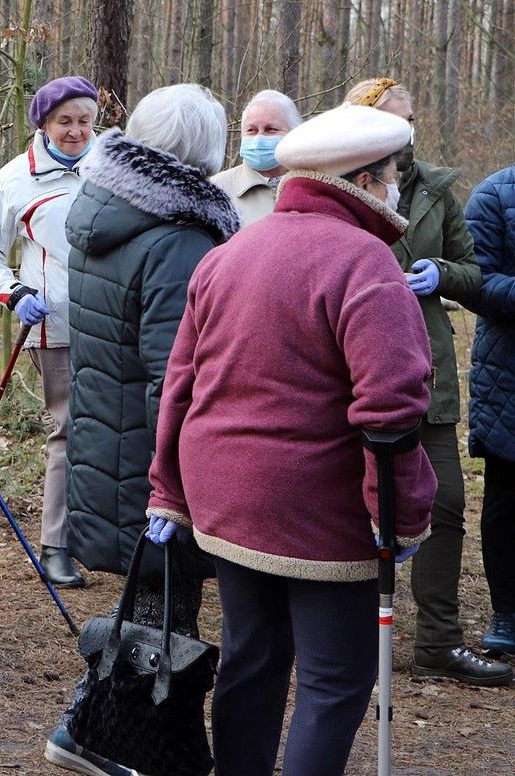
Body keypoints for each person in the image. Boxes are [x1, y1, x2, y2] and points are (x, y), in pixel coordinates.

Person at [144, 104, 437, 776]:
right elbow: (391, 413)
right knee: (334, 683)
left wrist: (169, 491)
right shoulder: (367, 263)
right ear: (364, 180)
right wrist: (400, 515)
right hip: (322, 516)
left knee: (251, 661)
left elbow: (181, 384)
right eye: (392, 175)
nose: (397, 187)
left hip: (228, 503)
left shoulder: (231, 251)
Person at [44, 83, 239, 776]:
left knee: (158, 610)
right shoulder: (180, 238)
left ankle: (122, 740)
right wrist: (182, 484)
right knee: (162, 618)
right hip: (155, 461)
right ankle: (99, 736)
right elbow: (174, 376)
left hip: (109, 441)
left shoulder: (107, 211)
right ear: (203, 151)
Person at [344, 77, 511, 685]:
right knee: (350, 502)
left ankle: (439, 645)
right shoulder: (335, 184)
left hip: (427, 364)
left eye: (410, 119)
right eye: (394, 120)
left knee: (444, 502)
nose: (406, 130)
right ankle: (348, 636)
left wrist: (438, 272)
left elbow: (475, 271)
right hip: (351, 366)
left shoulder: (437, 188)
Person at [0, 75, 100, 588]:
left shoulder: (114, 166)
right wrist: (17, 294)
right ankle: (56, 545)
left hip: (121, 326)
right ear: (42, 123)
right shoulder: (16, 179)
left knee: (128, 432)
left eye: (85, 120)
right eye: (64, 121)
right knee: (68, 432)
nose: (75, 131)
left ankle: (117, 540)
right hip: (58, 330)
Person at [464, 164, 515, 660]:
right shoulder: (495, 193)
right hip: (508, 373)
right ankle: (507, 611)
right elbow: (475, 279)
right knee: (506, 497)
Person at [211, 88, 302, 226]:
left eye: (271, 129)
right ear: (241, 135)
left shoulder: (314, 186)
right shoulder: (217, 189)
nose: (259, 137)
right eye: (251, 130)